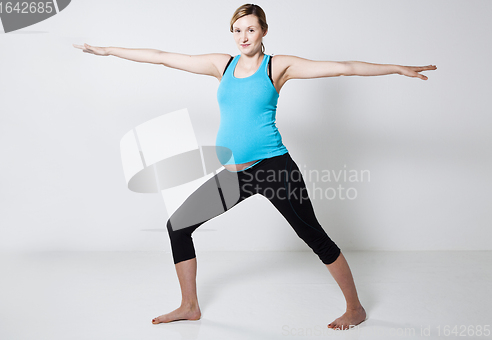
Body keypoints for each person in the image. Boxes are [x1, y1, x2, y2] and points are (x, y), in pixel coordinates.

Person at [74, 3, 436, 330]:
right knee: (178, 226)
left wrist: (397, 69)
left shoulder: (277, 65)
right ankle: (189, 305)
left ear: (263, 31)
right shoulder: (223, 65)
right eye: (237, 30)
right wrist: (107, 50)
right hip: (236, 174)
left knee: (314, 237)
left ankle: (355, 309)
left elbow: (343, 68)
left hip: (275, 169)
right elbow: (163, 56)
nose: (243, 36)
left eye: (250, 29)